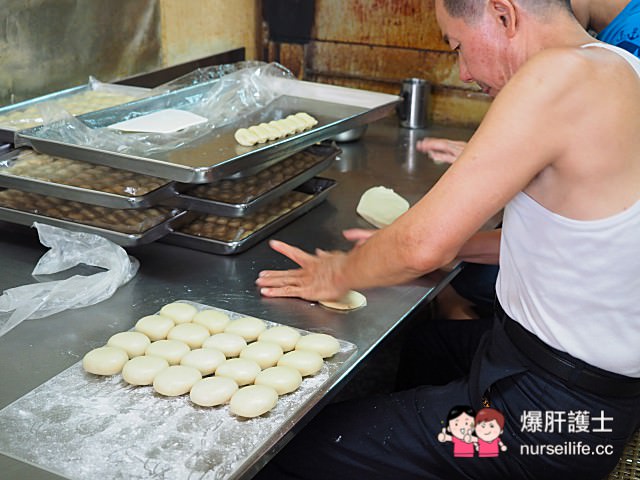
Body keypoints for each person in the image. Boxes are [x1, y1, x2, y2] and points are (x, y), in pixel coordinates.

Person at [254, 0, 640, 478]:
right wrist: (458, 246)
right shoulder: (621, 67)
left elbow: (420, 247)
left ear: (504, 15)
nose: (462, 72)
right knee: (428, 345)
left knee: (302, 450)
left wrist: (337, 273)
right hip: (588, 395)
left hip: (546, 424)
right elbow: (570, 237)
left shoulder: (558, 76)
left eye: (458, 46)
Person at [422, 0, 640, 318]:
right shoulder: (609, 45)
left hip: (593, 317)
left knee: (460, 289)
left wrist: (433, 249)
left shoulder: (595, 55)